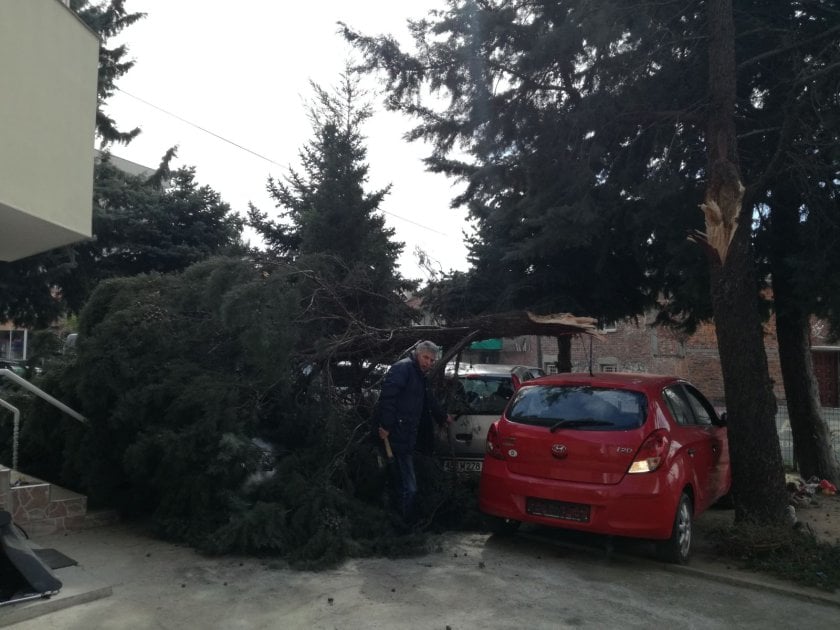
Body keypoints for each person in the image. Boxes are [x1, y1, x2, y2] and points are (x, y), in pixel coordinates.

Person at [377, 340, 451, 522]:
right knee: (408, 486)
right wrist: (385, 426)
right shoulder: (403, 369)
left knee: (403, 483)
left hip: (407, 437)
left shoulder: (419, 375)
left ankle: (399, 519)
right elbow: (387, 398)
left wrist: (442, 417)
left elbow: (429, 399)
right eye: (426, 358)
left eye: (432, 360)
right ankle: (403, 523)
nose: (428, 363)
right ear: (417, 354)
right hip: (396, 436)